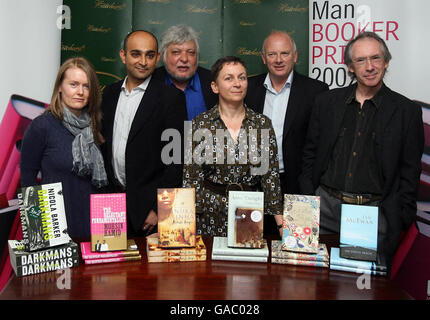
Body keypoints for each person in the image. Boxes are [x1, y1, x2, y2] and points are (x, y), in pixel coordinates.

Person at [299, 31, 424, 271]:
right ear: (350, 67)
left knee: (361, 288)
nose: (369, 67)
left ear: (386, 62)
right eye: (361, 60)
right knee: (309, 283)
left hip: (370, 216)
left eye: (376, 58)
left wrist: (399, 218)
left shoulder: (406, 112)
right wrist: (310, 198)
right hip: (323, 209)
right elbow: (310, 153)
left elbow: (410, 172)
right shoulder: (326, 102)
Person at [183, 56, 283, 237]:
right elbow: (191, 178)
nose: (237, 83)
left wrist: (282, 227)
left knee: (245, 264)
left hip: (250, 210)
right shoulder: (200, 124)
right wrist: (183, 227)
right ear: (215, 87)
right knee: (210, 265)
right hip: (209, 212)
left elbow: (271, 178)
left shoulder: (262, 124)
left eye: (242, 77)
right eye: (229, 78)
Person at [101, 30, 187, 237]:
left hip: (148, 212)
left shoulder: (171, 98)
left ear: (157, 58)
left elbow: (175, 161)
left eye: (149, 55)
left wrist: (158, 209)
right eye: (136, 54)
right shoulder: (109, 94)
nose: (143, 61)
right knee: (110, 268)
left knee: (148, 270)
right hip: (110, 205)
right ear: (123, 55)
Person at [245, 30, 329, 235]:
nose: (279, 60)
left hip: (297, 187)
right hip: (254, 186)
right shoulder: (247, 88)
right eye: (272, 54)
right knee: (252, 246)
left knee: (296, 248)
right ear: (264, 58)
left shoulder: (316, 91)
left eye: (285, 53)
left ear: (295, 56)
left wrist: (309, 188)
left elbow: (320, 145)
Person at [20, 57, 108, 238]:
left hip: (94, 227)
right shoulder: (42, 126)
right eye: (74, 84)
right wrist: (38, 233)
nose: (80, 92)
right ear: (60, 87)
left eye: (86, 86)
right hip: (55, 228)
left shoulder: (96, 126)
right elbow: (28, 182)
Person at [152, 25, 217, 120]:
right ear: (163, 56)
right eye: (176, 52)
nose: (184, 59)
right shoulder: (151, 82)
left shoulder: (214, 82)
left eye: (191, 53)